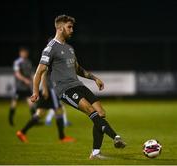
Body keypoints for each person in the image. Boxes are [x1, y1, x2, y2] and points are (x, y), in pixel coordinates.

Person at [30, 14, 126, 159]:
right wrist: (36, 91)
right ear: (60, 28)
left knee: (100, 114)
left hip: (78, 85)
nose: (72, 30)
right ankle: (116, 137)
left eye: (72, 27)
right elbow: (39, 72)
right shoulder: (50, 48)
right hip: (65, 89)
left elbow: (78, 69)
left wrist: (94, 78)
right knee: (90, 110)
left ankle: (95, 153)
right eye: (69, 27)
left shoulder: (69, 48)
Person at [16, 70, 75, 143]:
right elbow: (44, 72)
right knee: (59, 110)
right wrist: (45, 89)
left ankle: (22, 132)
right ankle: (62, 137)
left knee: (40, 113)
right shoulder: (51, 59)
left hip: (45, 88)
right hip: (49, 89)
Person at [8, 46, 35, 126]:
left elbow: (31, 74)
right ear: (20, 53)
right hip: (19, 87)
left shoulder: (28, 62)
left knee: (31, 103)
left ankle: (34, 120)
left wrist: (34, 79)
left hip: (26, 87)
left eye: (25, 53)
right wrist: (24, 80)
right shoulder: (17, 62)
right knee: (14, 103)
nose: (24, 54)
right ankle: (10, 119)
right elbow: (17, 74)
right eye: (23, 52)